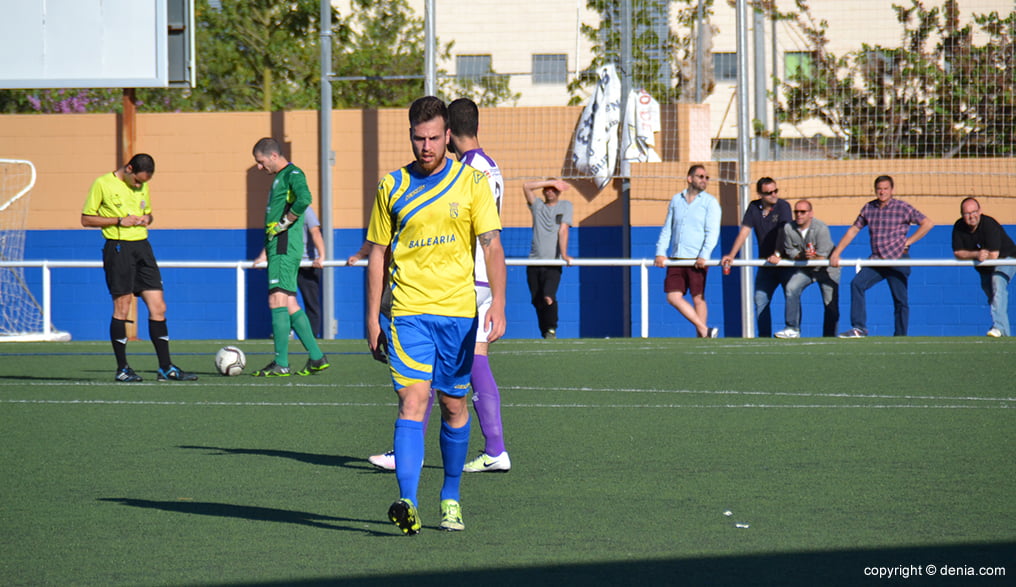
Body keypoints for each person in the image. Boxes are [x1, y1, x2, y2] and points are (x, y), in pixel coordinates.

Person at [365, 96, 506, 535]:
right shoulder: (392, 186)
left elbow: (492, 246)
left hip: (459, 315)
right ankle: (407, 500)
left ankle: (450, 496)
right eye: (418, 138)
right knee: (413, 399)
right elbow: (377, 253)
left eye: (433, 138)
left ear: (448, 136)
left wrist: (499, 303)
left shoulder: (471, 183)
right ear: (410, 136)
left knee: (453, 404)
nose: (426, 146)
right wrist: (372, 317)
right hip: (407, 313)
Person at [80, 153, 198, 383]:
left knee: (159, 307)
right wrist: (118, 220)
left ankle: (166, 367)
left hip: (143, 248)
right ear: (129, 168)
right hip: (118, 248)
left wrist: (147, 219)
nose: (139, 185)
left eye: (143, 183)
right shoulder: (102, 183)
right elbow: (86, 219)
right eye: (137, 180)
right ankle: (122, 368)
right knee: (122, 307)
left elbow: (149, 213)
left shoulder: (141, 186)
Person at [250, 138, 330, 376]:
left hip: (284, 247)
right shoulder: (279, 178)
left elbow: (304, 198)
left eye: (260, 161)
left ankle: (281, 363)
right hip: (278, 247)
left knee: (276, 300)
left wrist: (284, 223)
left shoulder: (292, 173)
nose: (259, 167)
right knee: (290, 303)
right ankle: (316, 357)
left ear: (273, 156)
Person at [830, 175, 934, 337]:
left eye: (886, 189)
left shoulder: (902, 208)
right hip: (877, 260)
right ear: (875, 190)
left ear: (892, 190)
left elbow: (927, 223)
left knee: (900, 299)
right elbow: (853, 230)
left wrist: (908, 241)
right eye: (879, 189)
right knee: (857, 284)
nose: (882, 192)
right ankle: (859, 328)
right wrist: (836, 252)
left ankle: (900, 336)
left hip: (897, 259)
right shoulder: (868, 208)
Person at [653, 164, 721, 338]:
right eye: (700, 176)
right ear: (690, 178)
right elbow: (668, 228)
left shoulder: (710, 203)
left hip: (696, 259)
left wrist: (704, 255)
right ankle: (705, 330)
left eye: (706, 177)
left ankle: (702, 336)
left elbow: (712, 232)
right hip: (676, 258)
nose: (704, 180)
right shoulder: (676, 200)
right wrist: (660, 251)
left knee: (698, 297)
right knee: (672, 297)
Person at [720, 177, 792, 337]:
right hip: (766, 264)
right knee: (760, 299)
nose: (773, 195)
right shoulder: (753, 207)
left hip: (785, 262)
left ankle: (793, 331)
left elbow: (784, 230)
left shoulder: (783, 206)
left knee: (792, 295)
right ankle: (764, 337)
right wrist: (731, 255)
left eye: (775, 191)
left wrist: (778, 254)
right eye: (768, 193)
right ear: (760, 194)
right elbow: (744, 231)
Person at [772, 200, 840, 338]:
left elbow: (823, 257)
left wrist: (812, 258)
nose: (799, 215)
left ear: (811, 214)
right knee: (791, 288)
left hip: (827, 269)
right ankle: (792, 328)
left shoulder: (821, 229)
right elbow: (790, 250)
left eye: (803, 212)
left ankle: (830, 337)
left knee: (830, 303)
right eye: (796, 212)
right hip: (806, 268)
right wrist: (801, 255)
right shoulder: (788, 228)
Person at [952, 197, 1016, 337]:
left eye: (974, 212)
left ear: (980, 211)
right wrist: (976, 254)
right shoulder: (959, 227)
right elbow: (958, 252)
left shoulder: (989, 224)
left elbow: (993, 255)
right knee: (994, 298)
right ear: (962, 215)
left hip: (1007, 259)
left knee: (997, 283)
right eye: (967, 213)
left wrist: (980, 256)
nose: (971, 216)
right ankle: (1005, 336)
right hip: (984, 268)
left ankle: (999, 328)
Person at [523, 178, 574, 339]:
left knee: (548, 296)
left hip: (552, 263)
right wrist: (548, 183)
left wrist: (564, 254)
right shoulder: (538, 207)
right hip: (534, 262)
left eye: (553, 189)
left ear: (559, 192)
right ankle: (544, 331)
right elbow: (527, 186)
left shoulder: (565, 206)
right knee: (537, 300)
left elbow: (563, 230)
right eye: (547, 189)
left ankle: (551, 329)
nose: (550, 191)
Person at [298, 206, 326, 337]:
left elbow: (315, 232)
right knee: (282, 299)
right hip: (289, 263)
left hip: (308, 264)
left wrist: (321, 256)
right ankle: (285, 332)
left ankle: (312, 337)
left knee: (311, 302)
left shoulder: (306, 211)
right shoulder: (279, 209)